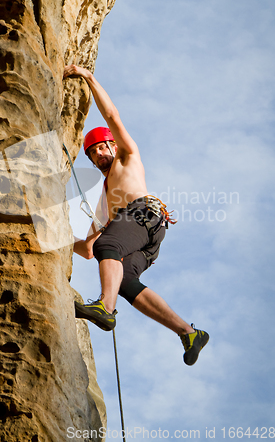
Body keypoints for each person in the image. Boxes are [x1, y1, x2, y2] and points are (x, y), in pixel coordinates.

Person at [63, 64, 209, 366]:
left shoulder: (127, 158)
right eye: (94, 152)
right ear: (90, 159)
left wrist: (89, 78)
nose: (101, 153)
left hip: (144, 214)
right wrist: (56, 239)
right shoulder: (103, 199)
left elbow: (112, 116)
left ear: (114, 146)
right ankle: (188, 333)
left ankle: (105, 307)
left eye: (104, 147)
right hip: (146, 234)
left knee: (110, 247)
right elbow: (89, 250)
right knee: (126, 281)